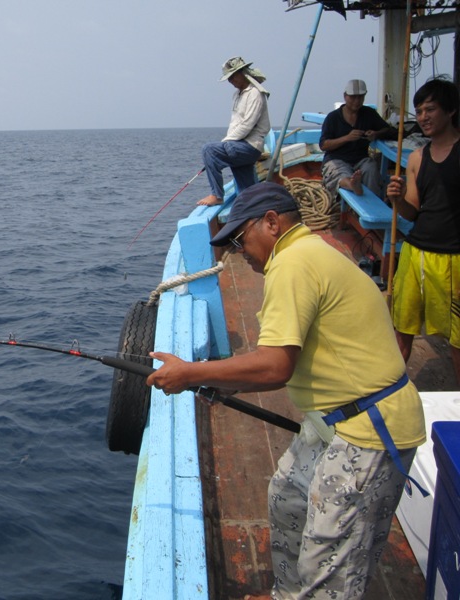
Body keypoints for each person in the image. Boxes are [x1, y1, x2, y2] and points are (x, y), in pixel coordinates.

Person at [147, 182, 426, 599]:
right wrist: (207, 377)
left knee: (330, 568)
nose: (241, 251)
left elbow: (275, 366)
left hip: (368, 430)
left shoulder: (293, 263)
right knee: (288, 497)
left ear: (272, 223)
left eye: (241, 239)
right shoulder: (304, 253)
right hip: (334, 418)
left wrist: (190, 374)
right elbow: (276, 366)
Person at [386, 77, 460, 386]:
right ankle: (388, 390)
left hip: (454, 259)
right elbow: (411, 212)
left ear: (451, 111)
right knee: (401, 332)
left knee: (457, 342)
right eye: (419, 110)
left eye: (431, 109)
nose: (423, 117)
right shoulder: (417, 158)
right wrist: (397, 198)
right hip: (416, 253)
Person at [197, 56, 270, 206]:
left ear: (242, 73)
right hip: (239, 144)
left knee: (209, 150)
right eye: (228, 78)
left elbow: (247, 125)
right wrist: (226, 145)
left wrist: (223, 145)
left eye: (232, 77)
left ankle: (217, 195)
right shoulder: (237, 95)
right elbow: (234, 124)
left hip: (250, 146)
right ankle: (256, 208)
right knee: (247, 192)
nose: (231, 81)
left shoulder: (255, 93)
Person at [319, 79, 396, 197]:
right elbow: (324, 145)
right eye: (353, 97)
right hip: (337, 159)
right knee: (339, 173)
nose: (357, 101)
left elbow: (388, 129)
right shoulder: (332, 117)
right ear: (345, 96)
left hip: (361, 160)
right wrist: (347, 138)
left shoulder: (369, 114)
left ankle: (374, 206)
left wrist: (375, 134)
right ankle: (352, 185)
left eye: (360, 97)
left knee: (371, 169)